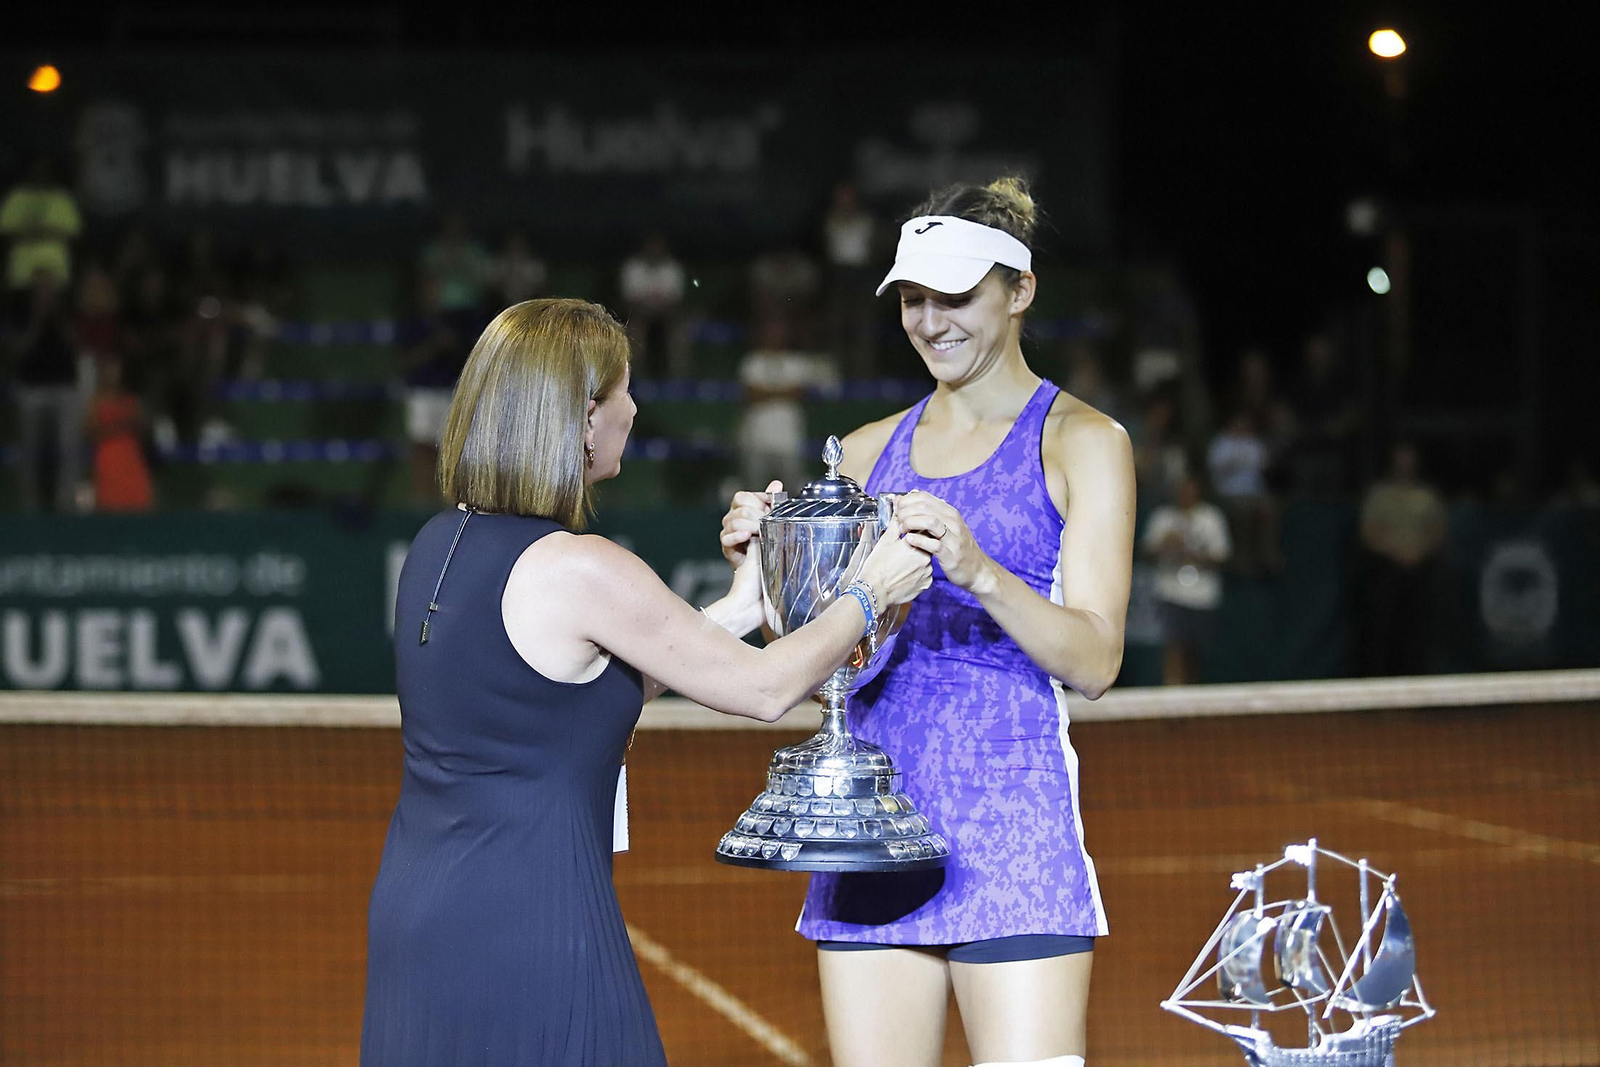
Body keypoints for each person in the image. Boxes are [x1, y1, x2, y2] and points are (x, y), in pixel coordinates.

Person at [361, 298, 934, 1066]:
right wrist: (872, 590)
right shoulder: (583, 567)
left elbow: (574, 696)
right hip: (537, 927)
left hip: (417, 918)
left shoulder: (437, 543)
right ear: (583, 417)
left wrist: (745, 603)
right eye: (625, 389)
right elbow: (767, 689)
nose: (635, 409)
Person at [721, 177, 1135, 1067]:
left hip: (1013, 822)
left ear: (1020, 291)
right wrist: (766, 577)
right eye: (913, 298)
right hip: (871, 828)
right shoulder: (867, 450)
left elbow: (1097, 660)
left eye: (956, 297)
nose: (930, 321)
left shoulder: (1085, 441)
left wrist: (980, 571)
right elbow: (828, 664)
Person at [1357, 442, 1447, 676]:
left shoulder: (1427, 497)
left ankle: (1418, 675)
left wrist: (1417, 555)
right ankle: (1379, 676)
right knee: (1382, 627)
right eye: (1400, 461)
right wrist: (1397, 555)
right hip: (1386, 570)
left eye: (1408, 461)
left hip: (1420, 571)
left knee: (1419, 628)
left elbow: (1437, 532)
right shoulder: (1379, 495)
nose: (1404, 466)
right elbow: (1369, 533)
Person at [1141, 473, 1230, 685]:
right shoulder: (1163, 517)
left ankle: (1193, 687)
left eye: (1190, 490)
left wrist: (1192, 555)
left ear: (1197, 492)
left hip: (1202, 595)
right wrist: (1165, 545)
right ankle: (1173, 686)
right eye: (1181, 490)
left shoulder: (1211, 517)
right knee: (1173, 644)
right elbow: (1145, 553)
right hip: (1170, 592)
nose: (1185, 495)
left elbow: (1222, 557)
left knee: (1196, 648)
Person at [7, 268, 83, 511]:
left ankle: (65, 502)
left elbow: (77, 343)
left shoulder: (66, 311)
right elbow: (18, 350)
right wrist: (37, 321)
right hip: (32, 388)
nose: (45, 292)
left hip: (64, 386)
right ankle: (29, 504)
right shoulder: (21, 312)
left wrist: (57, 319)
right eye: (40, 287)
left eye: (49, 287)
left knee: (69, 446)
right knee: (28, 448)